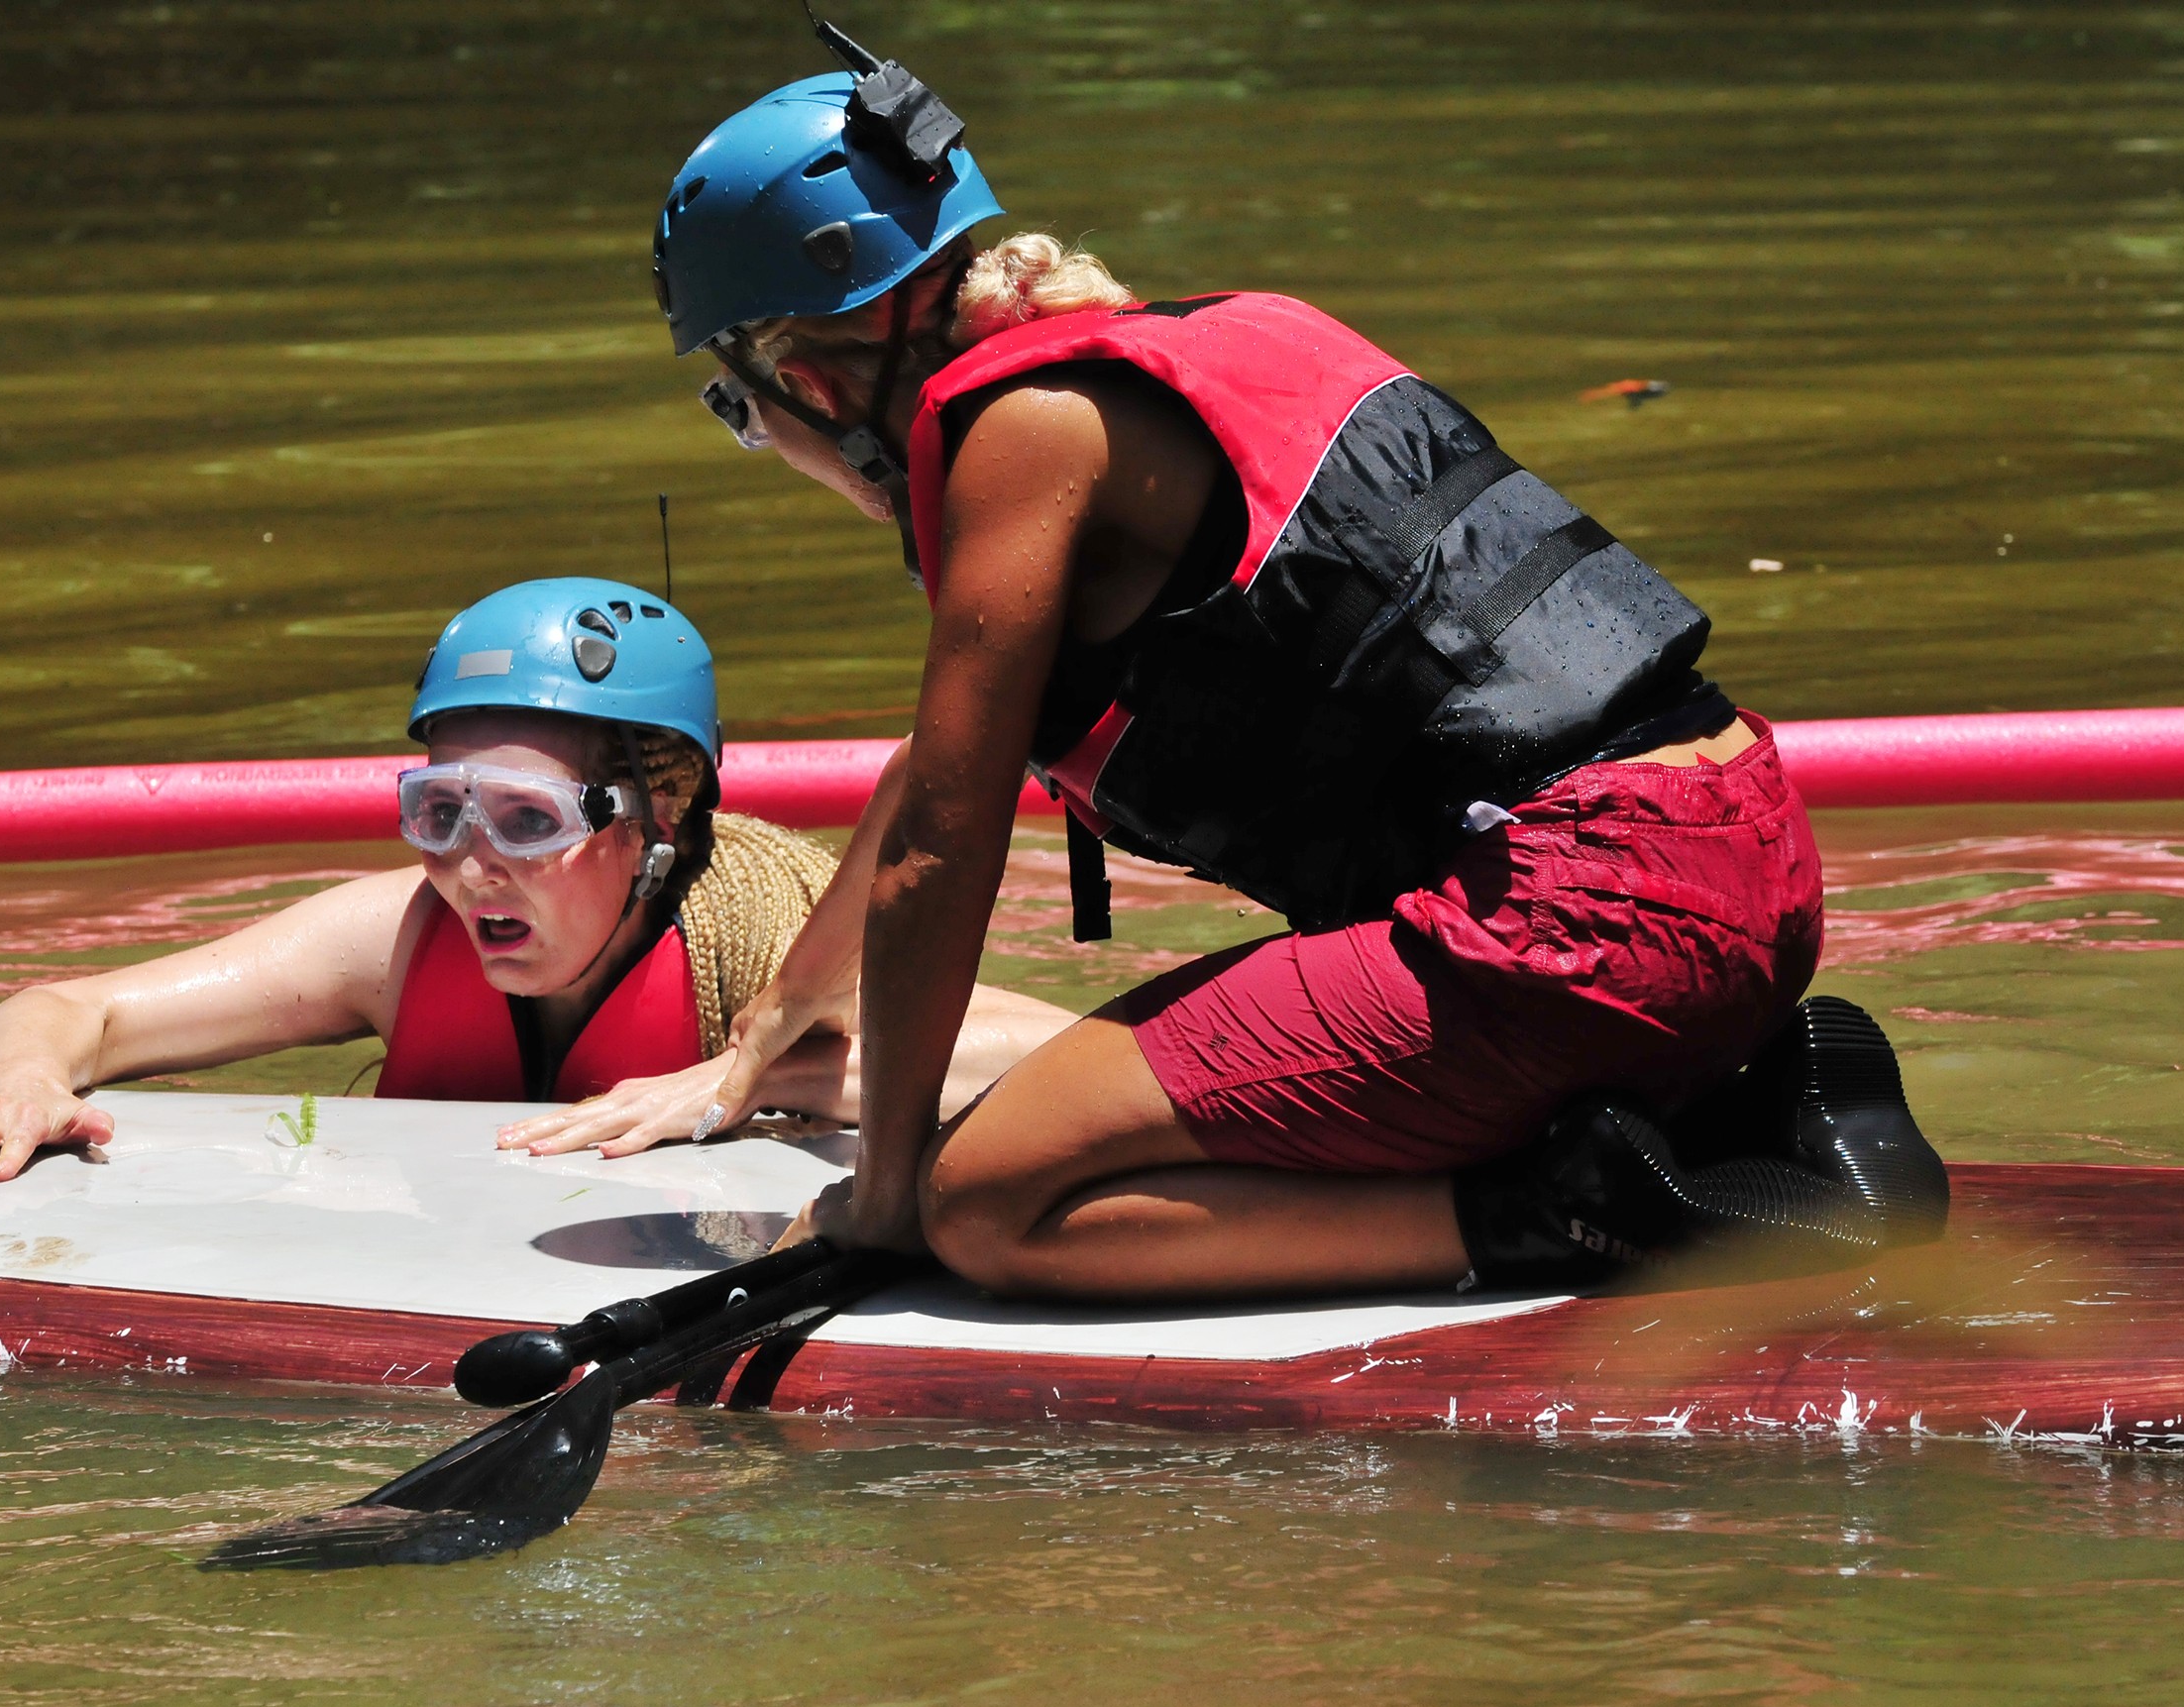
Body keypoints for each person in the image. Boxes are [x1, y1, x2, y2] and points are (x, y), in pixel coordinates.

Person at [646, 26, 1944, 1302]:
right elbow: (932, 778)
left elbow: (944, 840)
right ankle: (1763, 1102)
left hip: (1575, 927)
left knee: (986, 1203)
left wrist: (880, 1196)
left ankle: (1563, 1214)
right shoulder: (1219, 333)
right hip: (1746, 859)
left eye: (739, 412)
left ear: (806, 378)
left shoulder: (1016, 438)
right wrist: (777, 1016)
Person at [0, 578, 1073, 1185]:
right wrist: (25, 1084)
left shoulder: (764, 938)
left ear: (651, 826)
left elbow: (1059, 1058)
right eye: (437, 811)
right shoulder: (398, 943)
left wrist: (753, 1073)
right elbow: (68, 1009)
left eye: (524, 820)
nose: (467, 864)